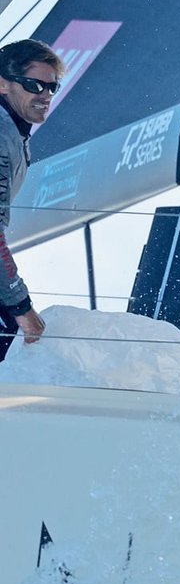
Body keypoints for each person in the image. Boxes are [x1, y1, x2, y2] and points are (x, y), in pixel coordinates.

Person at [0, 38, 62, 362]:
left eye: (52, 87)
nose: (45, 95)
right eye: (34, 85)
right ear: (3, 84)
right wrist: (21, 307)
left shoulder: (14, 130)